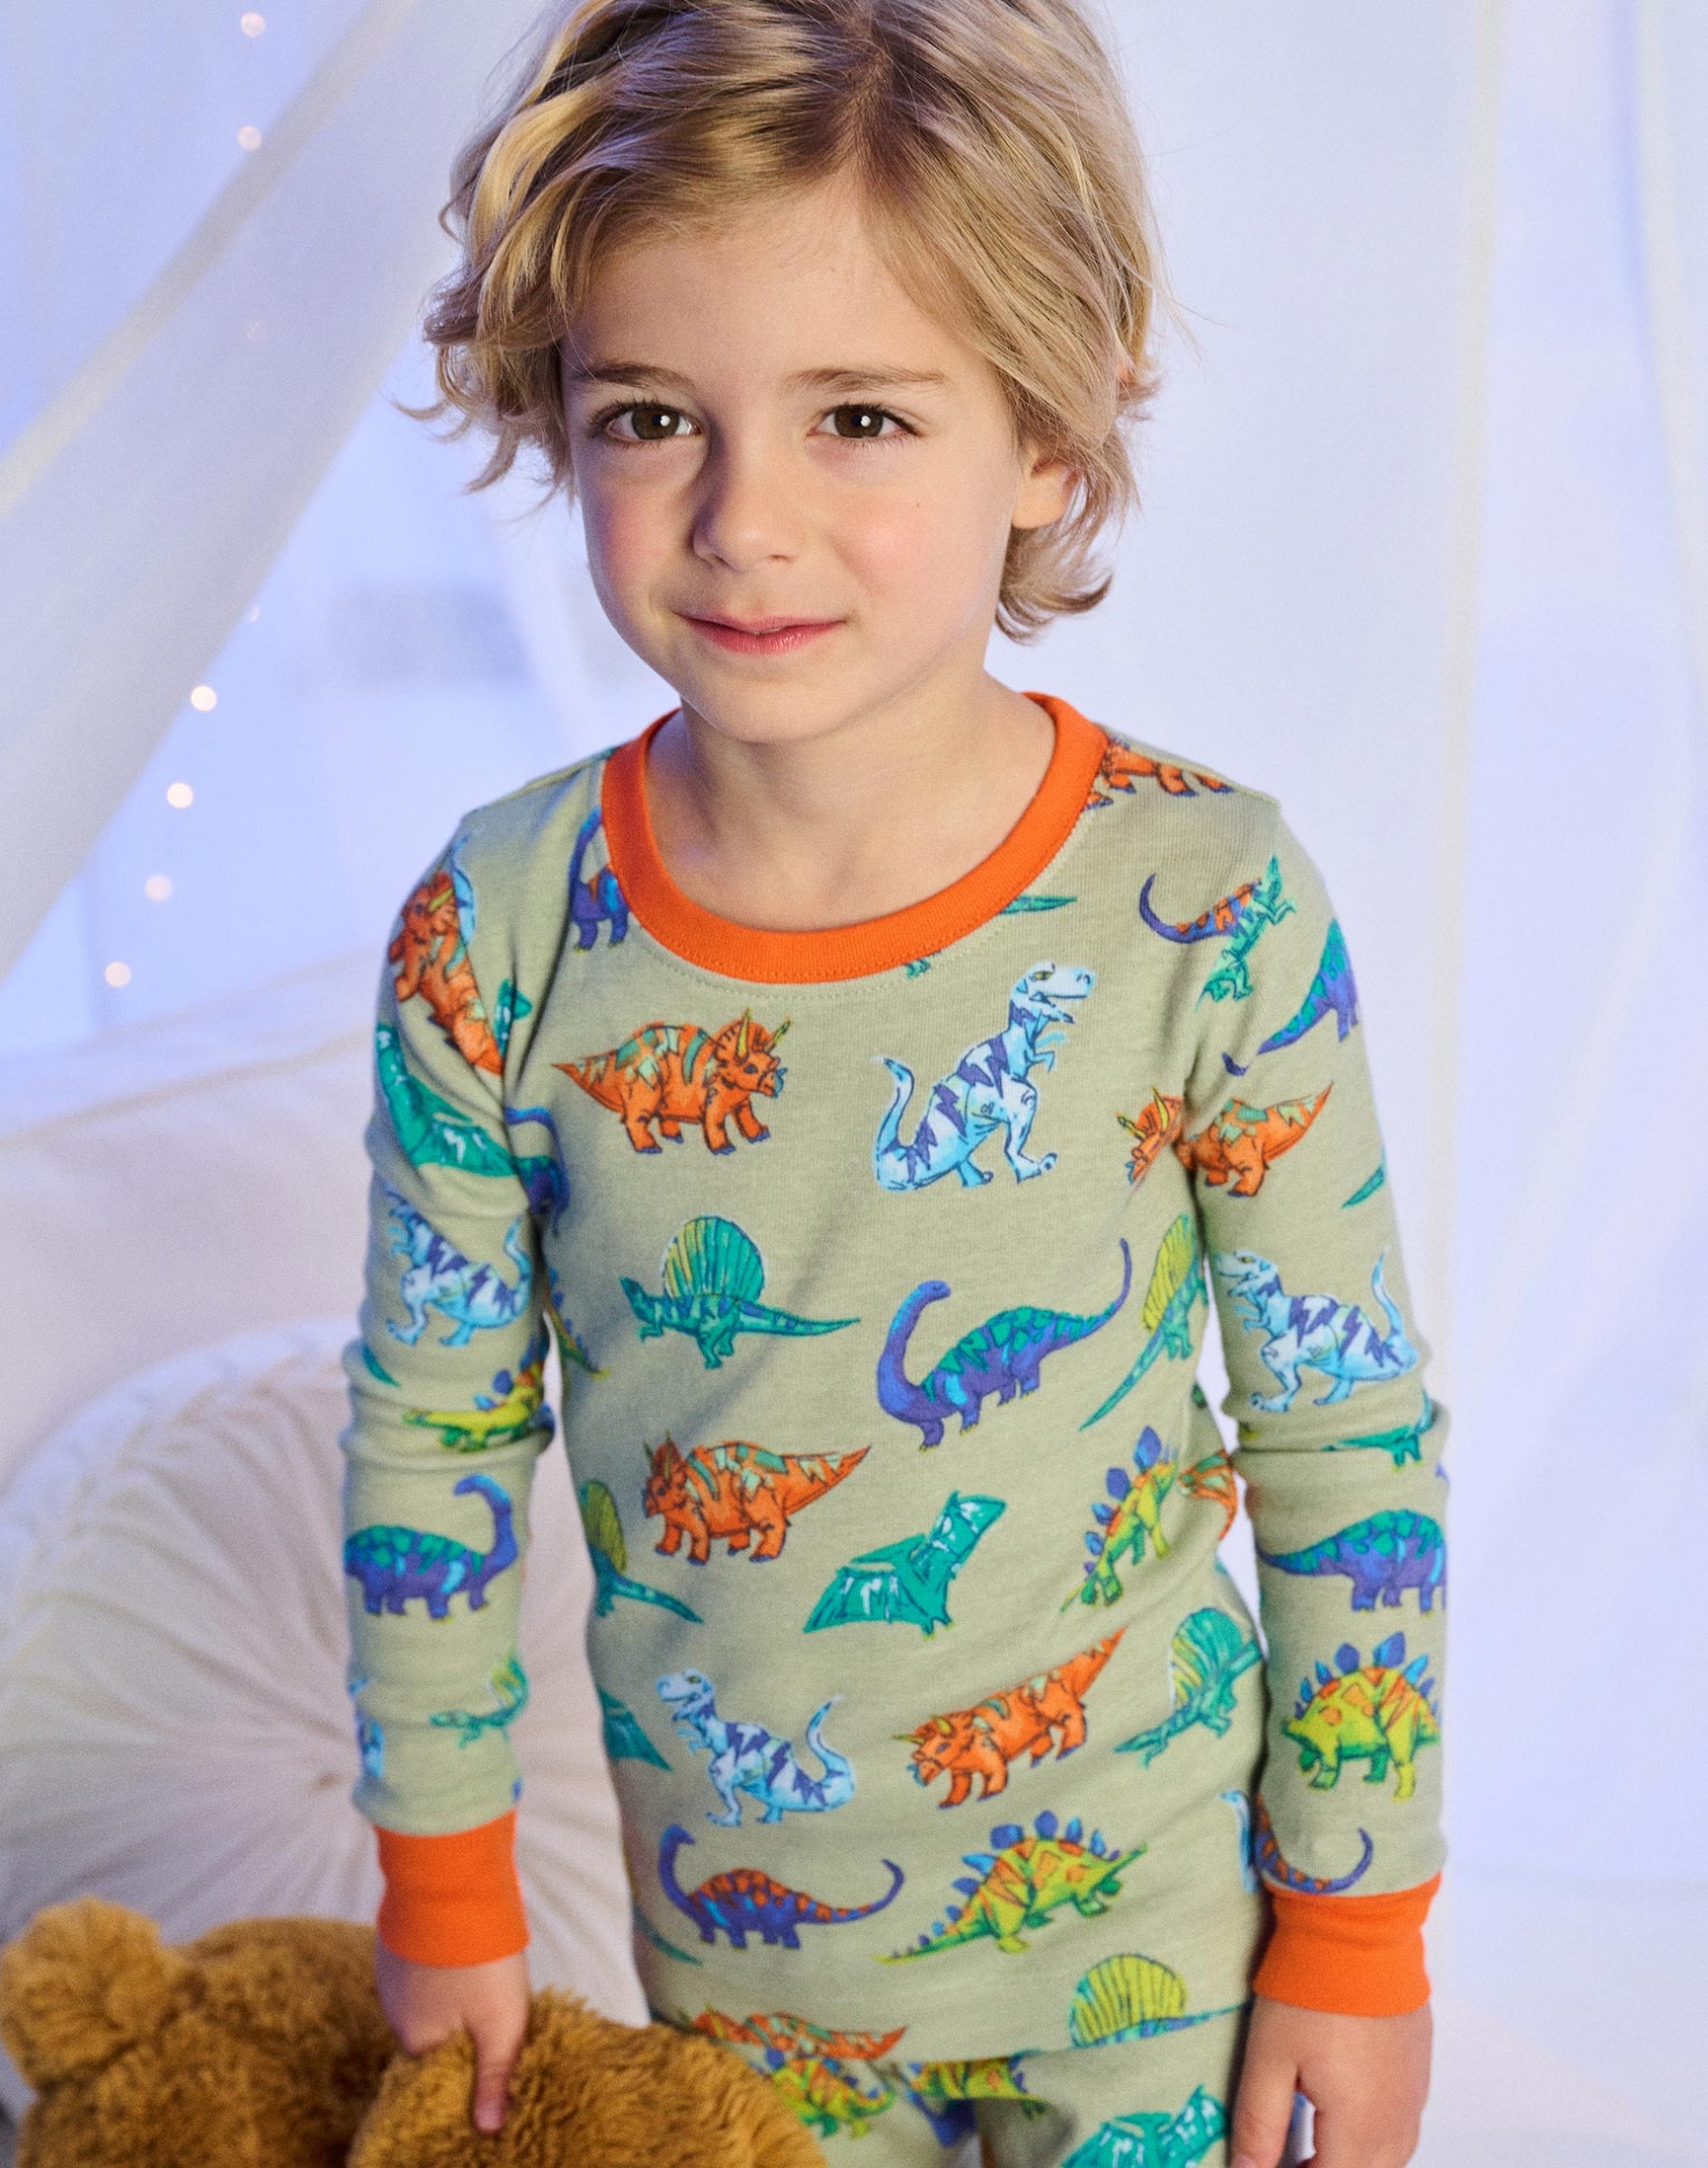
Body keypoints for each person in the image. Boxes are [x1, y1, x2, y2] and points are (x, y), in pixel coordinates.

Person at [338, 3, 1446, 2163]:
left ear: (1043, 432)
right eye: (651, 416)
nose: (742, 521)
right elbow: (432, 1437)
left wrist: (1358, 1927)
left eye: (857, 415)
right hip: (737, 1972)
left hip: (1164, 1951)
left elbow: (1341, 1434)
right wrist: (442, 1885)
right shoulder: (496, 930)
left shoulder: (1209, 905)